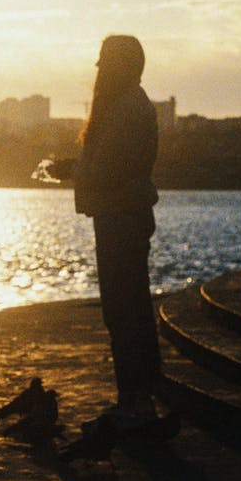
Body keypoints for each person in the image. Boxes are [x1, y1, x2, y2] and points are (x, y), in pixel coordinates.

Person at [48, 35, 161, 424]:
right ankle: (137, 396)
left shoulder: (127, 108)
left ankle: (135, 399)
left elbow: (114, 170)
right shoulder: (131, 104)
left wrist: (71, 170)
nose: (97, 69)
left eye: (103, 62)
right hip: (122, 215)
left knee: (123, 310)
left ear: (120, 66)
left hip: (121, 217)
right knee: (131, 307)